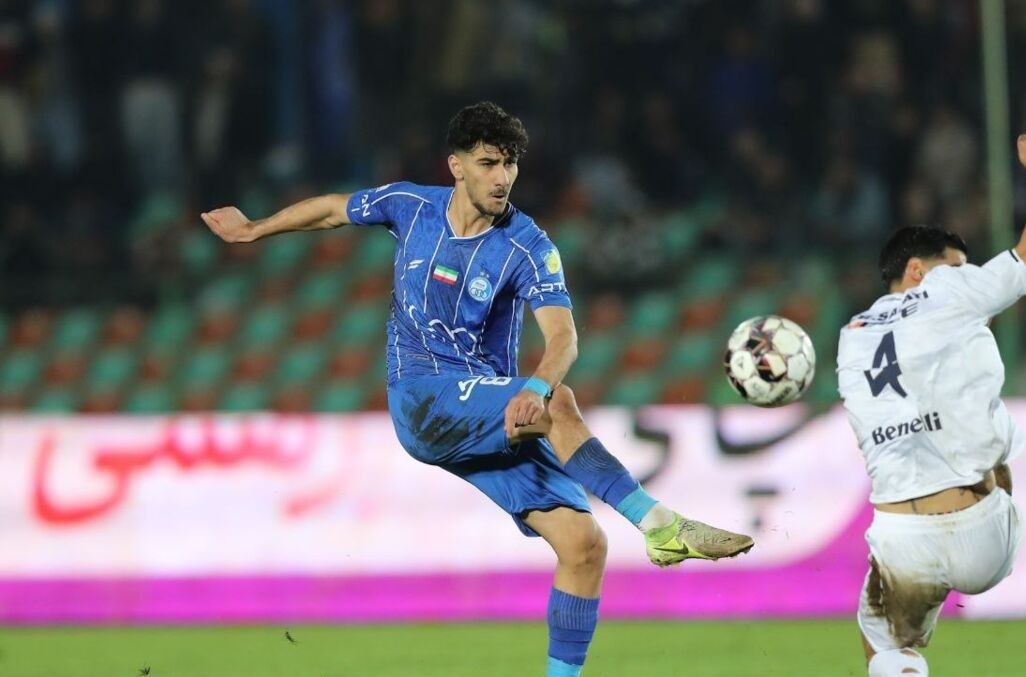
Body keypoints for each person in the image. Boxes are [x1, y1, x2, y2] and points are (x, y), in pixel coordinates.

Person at [201, 101, 753, 677]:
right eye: (488, 163)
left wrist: (533, 385)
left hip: (486, 413)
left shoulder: (528, 246)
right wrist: (255, 228)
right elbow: (332, 210)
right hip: (421, 398)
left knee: (584, 545)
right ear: (457, 165)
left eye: (510, 163)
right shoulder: (411, 206)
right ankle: (661, 525)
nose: (502, 177)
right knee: (558, 403)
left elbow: (564, 339)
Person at [835, 134, 1026, 677]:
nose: (966, 276)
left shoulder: (852, 334)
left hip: (900, 537)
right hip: (981, 531)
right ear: (918, 270)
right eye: (957, 266)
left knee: (885, 646)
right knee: (988, 426)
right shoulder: (948, 291)